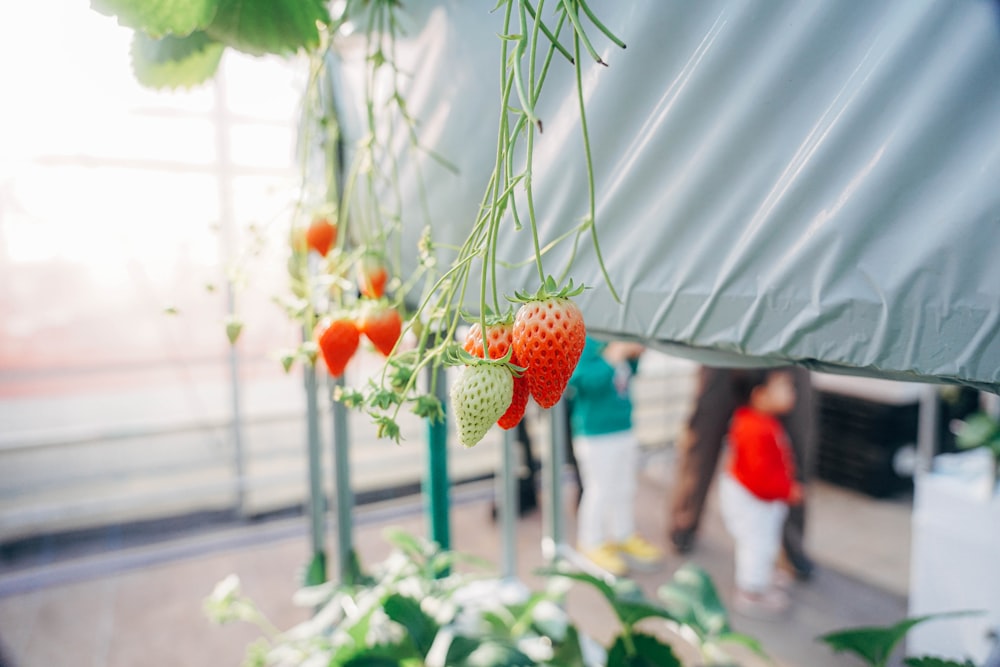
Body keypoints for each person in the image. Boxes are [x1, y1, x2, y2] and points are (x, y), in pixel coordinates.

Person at [668, 365, 816, 580]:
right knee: (703, 435)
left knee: (797, 443)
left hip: (789, 351)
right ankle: (684, 521)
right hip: (724, 345)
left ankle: (792, 547)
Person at [568, 336, 664, 576]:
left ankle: (622, 533)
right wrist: (614, 356)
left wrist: (634, 355)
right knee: (599, 490)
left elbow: (626, 376)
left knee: (625, 486)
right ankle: (591, 542)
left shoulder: (616, 335)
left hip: (623, 426)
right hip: (596, 433)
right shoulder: (586, 339)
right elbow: (580, 382)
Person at [718, 368, 802, 617]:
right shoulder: (755, 428)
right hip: (754, 500)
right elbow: (759, 477)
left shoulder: (758, 421)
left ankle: (762, 574)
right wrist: (787, 490)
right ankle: (752, 590)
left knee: (766, 540)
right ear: (760, 395)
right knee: (757, 542)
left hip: (760, 498)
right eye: (784, 387)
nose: (792, 393)